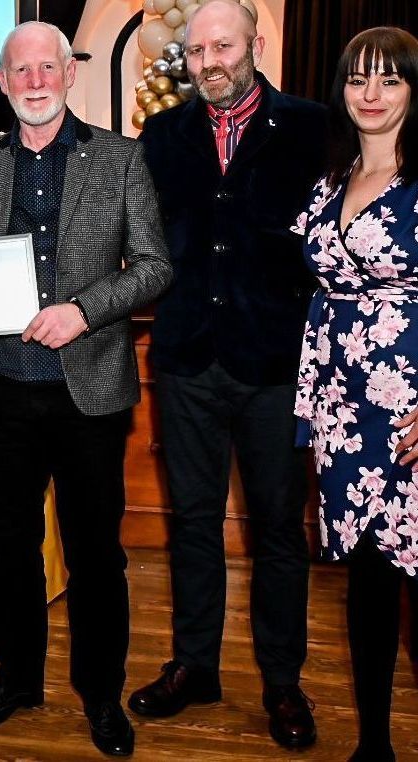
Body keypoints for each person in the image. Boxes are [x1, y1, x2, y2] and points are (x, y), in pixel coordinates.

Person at [0, 20, 171, 757]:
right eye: (19, 71)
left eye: (47, 68)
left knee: (96, 554)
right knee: (9, 550)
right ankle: (16, 679)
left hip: (89, 392)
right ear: (3, 83)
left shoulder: (124, 159)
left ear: (69, 74)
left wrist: (83, 311)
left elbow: (154, 265)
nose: (34, 82)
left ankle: (101, 695)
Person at [130, 0, 325, 749]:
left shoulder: (312, 127)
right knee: (193, 526)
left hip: (276, 365)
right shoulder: (164, 132)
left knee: (279, 531)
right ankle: (194, 666)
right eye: (198, 49)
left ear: (256, 44)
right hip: (185, 359)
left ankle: (283, 683)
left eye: (223, 46)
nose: (209, 61)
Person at [294, 26, 418, 762]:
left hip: (408, 405)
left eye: (391, 79)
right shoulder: (328, 182)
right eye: (357, 79)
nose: (371, 94)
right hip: (342, 405)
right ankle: (375, 746)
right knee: (368, 584)